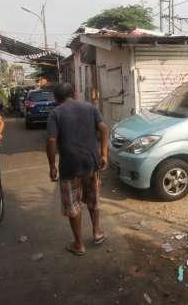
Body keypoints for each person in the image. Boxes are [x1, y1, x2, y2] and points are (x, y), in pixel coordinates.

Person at [46, 83, 109, 256]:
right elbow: (103, 129)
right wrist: (104, 154)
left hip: (69, 167)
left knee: (73, 205)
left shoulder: (55, 113)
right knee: (93, 199)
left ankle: (79, 244)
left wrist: (52, 166)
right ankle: (97, 232)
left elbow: (51, 141)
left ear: (56, 99)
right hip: (91, 163)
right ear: (74, 94)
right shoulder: (90, 107)